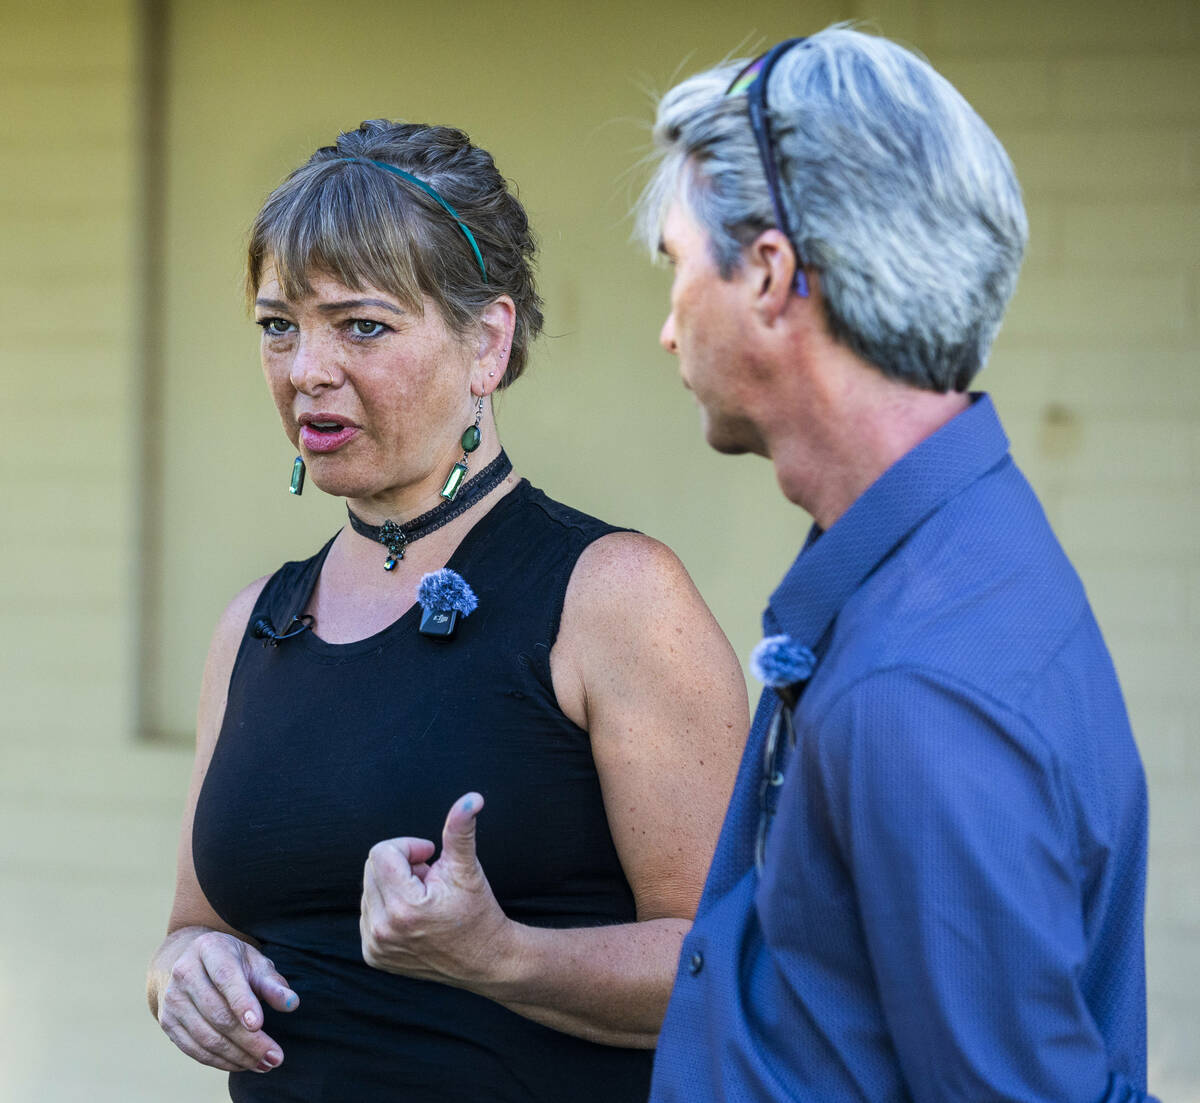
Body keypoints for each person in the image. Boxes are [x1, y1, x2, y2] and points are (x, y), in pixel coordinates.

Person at [146, 119, 748, 1102]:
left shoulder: (616, 594)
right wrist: (183, 971)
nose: (306, 369)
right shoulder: (255, 623)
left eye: (362, 325)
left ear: (488, 341)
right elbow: (194, 925)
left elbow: (736, 967)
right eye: (278, 325)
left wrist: (502, 955)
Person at [636, 26, 1157, 1103]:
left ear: (769, 275)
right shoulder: (956, 545)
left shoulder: (914, 687)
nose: (667, 329)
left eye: (679, 264)